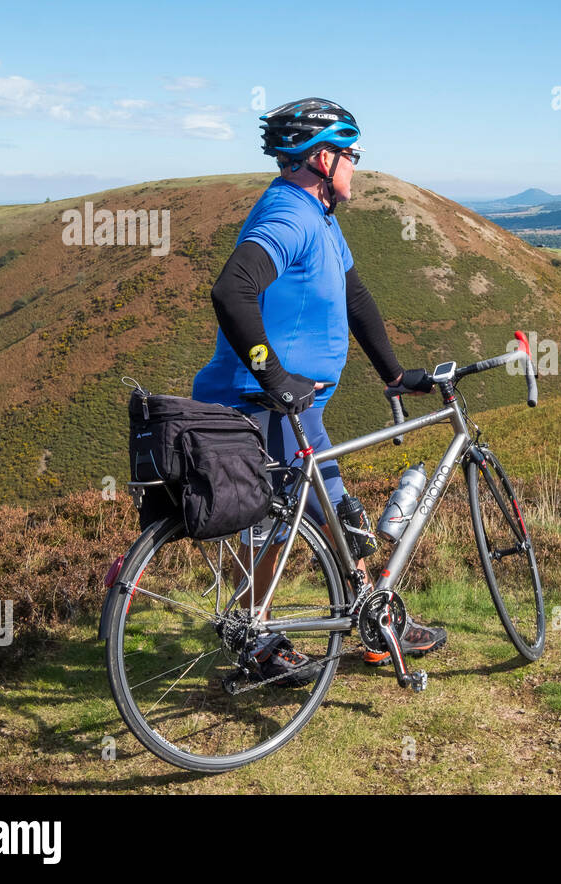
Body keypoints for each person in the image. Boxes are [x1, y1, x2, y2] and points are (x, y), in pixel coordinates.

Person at [192, 97, 447, 682]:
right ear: (322, 159)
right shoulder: (288, 215)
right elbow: (232, 291)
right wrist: (273, 376)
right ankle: (256, 640)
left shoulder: (323, 220)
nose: (357, 165)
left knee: (339, 516)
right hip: (259, 404)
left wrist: (394, 374)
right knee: (274, 531)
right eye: (351, 154)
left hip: (299, 410)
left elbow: (355, 298)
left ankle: (378, 624)